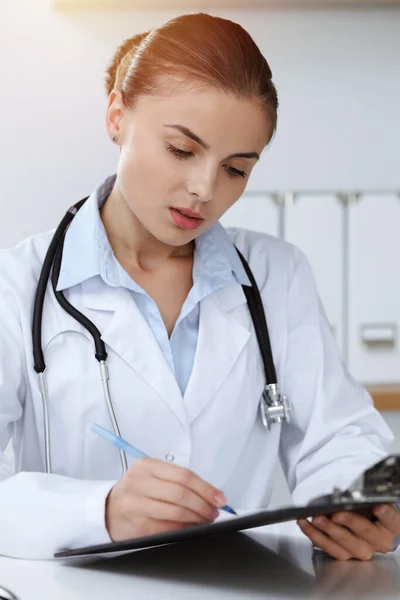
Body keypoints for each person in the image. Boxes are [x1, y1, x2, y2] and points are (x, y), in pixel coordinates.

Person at [0, 12, 398, 562]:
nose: (203, 189)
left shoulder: (276, 277)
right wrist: (101, 511)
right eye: (182, 150)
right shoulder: (15, 287)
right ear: (117, 114)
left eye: (236, 169)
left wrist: (363, 509)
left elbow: (341, 438)